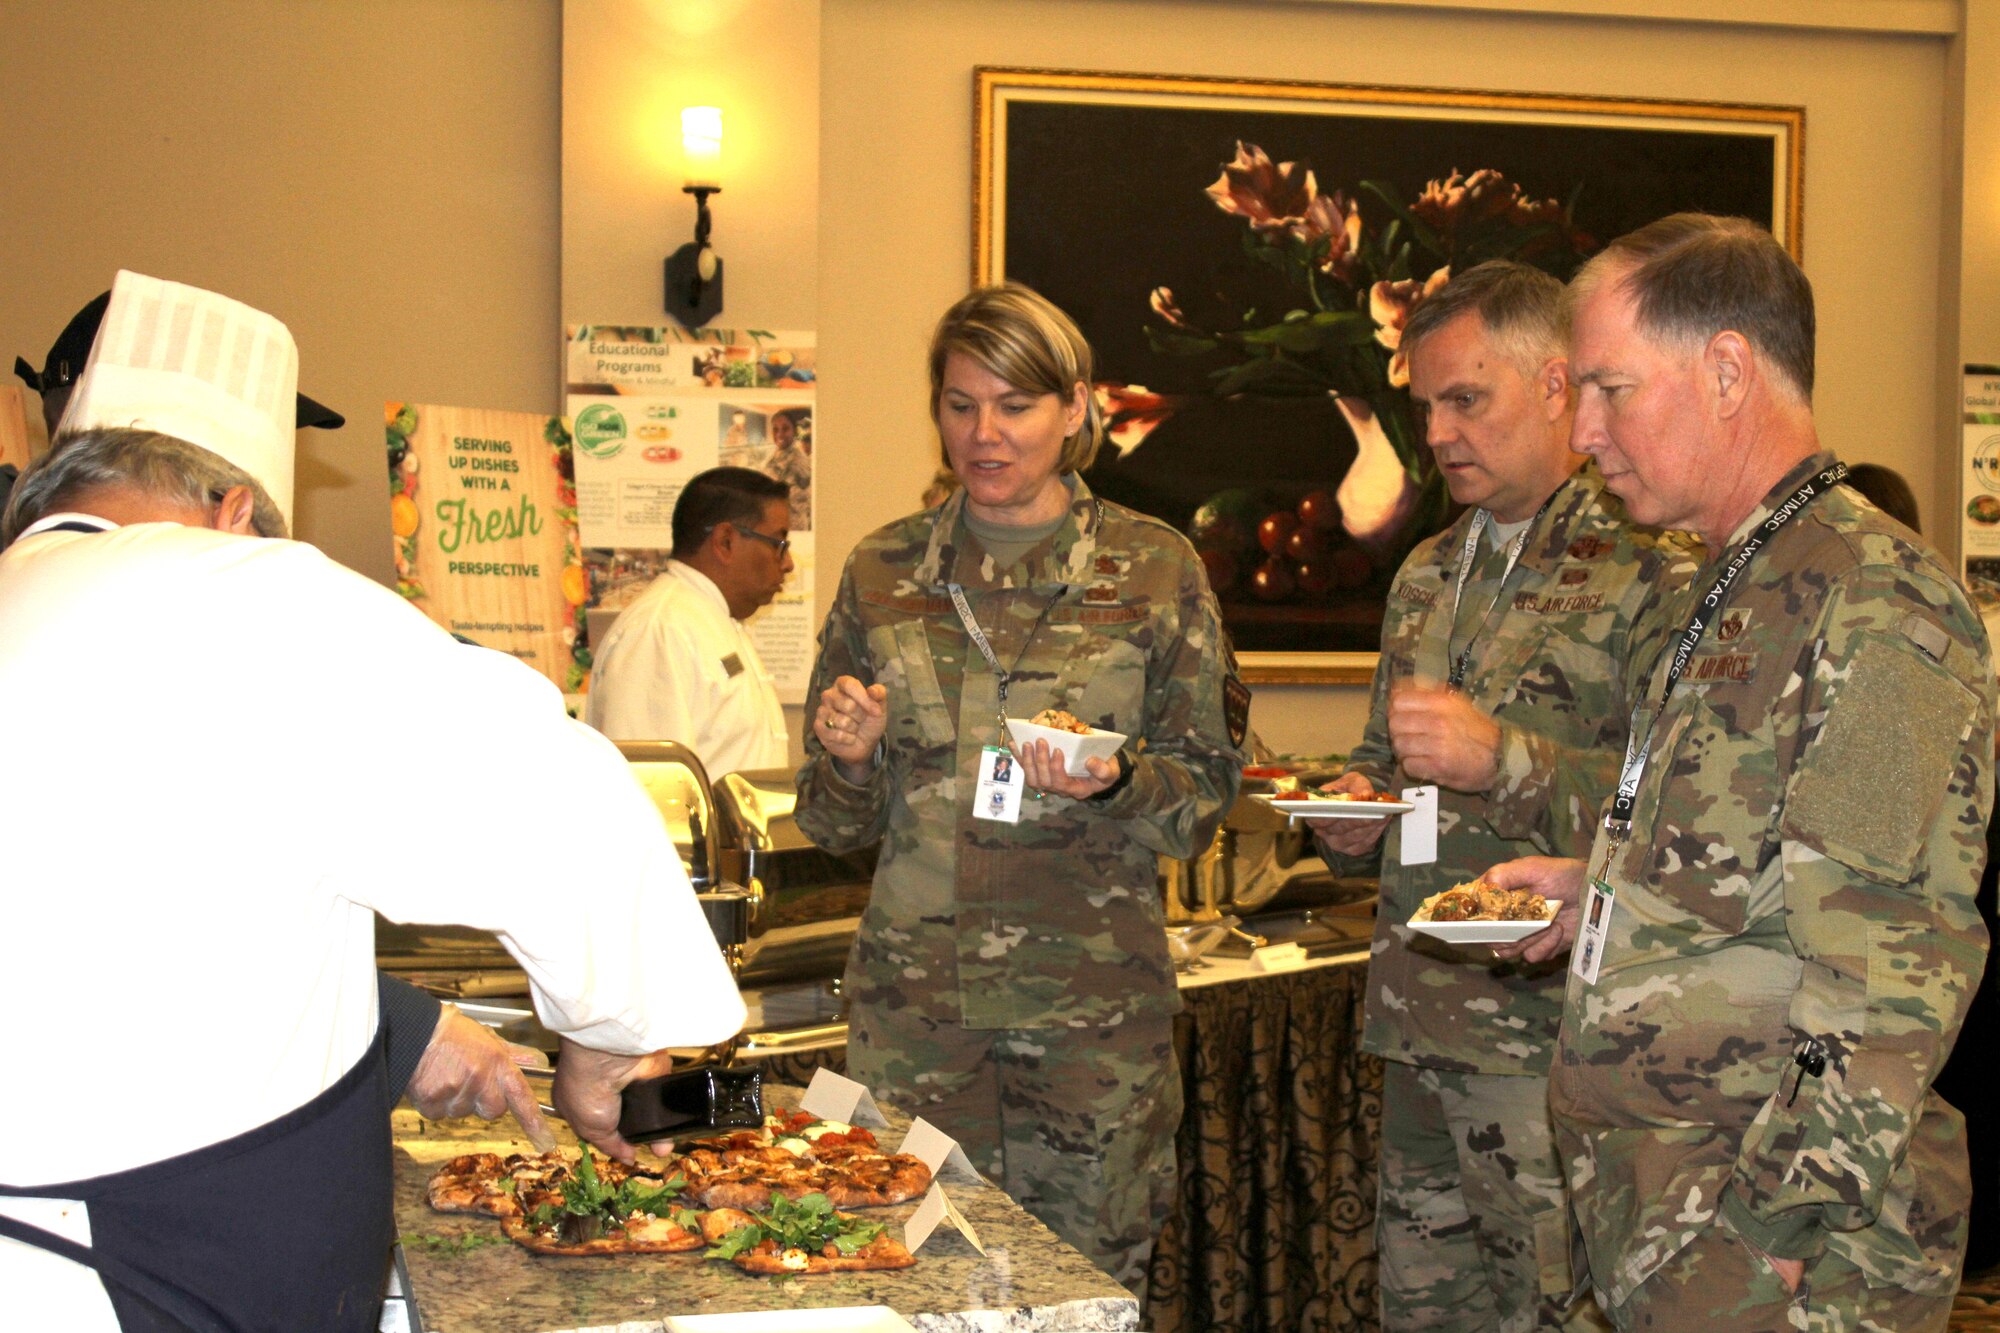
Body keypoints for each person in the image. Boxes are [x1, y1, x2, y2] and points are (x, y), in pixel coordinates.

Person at [0, 272, 745, 1332]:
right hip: (128, 1275)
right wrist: (612, 1042)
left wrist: (412, 1025)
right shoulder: (240, 592)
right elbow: (561, 798)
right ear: (234, 510)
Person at [1488, 215, 1993, 1331]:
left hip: (1775, 1260)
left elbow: (1887, 976)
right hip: (1667, 1222)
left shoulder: (1881, 606)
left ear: (1725, 370)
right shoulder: (1726, 584)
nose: (1582, 431)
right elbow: (1762, 871)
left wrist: (1761, 1242)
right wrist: (1605, 895)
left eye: (1609, 389)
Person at [794, 283, 1246, 1296]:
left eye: (1014, 406)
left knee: (1085, 1292)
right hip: (915, 1023)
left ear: (1076, 407)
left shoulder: (1152, 570)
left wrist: (1117, 776)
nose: (983, 433)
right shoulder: (882, 571)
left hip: (1090, 1027)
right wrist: (851, 756)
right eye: (959, 405)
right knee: (907, 1284)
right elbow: (826, 822)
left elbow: (1205, 796)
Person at [12, 285, 532, 1138]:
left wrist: (410, 1029)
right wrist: (619, 1022)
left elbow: (193, 885)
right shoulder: (191, 615)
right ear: (234, 514)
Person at [1303, 260, 1692, 1332]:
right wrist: (1350, 811)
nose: (1433, 432)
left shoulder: (1654, 569)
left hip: (1557, 1049)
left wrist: (1502, 762)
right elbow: (1389, 765)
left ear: (1559, 386)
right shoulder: (1427, 569)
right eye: (1423, 405)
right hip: (1422, 1019)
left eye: (1463, 398)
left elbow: (1686, 819)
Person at [585, 466, 791, 775]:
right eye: (779, 544)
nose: (788, 564)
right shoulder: (660, 630)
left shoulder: (710, 619)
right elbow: (651, 787)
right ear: (725, 542)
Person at [759, 408, 812, 531]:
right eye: (775, 429)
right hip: (775, 523)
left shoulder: (799, 461)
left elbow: (801, 499)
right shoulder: (777, 453)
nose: (779, 434)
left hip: (791, 527)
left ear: (794, 431)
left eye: (785, 428)